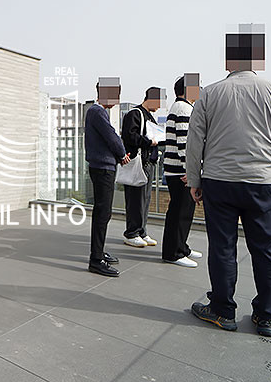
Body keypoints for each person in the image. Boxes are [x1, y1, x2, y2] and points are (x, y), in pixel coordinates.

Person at [186, 25, 271, 337]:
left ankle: (223, 311)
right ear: (258, 59)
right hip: (263, 182)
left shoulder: (210, 93)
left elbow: (195, 141)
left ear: (228, 61)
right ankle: (266, 316)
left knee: (222, 247)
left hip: (219, 180)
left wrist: (194, 179)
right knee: (266, 249)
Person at [84, 77, 130, 277]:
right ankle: (96, 260)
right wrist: (122, 154)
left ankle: (99, 252)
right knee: (103, 213)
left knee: (103, 212)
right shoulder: (97, 112)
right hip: (103, 168)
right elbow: (112, 136)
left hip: (102, 167)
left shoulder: (97, 111)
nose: (117, 99)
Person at [161, 75, 202, 267]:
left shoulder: (180, 107)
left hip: (177, 169)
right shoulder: (184, 109)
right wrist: (190, 171)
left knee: (182, 212)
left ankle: (181, 247)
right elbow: (184, 143)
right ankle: (174, 253)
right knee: (180, 213)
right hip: (180, 172)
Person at [120, 87, 162, 248]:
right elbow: (129, 136)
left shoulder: (149, 116)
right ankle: (131, 233)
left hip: (148, 162)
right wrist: (149, 142)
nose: (159, 106)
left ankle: (141, 231)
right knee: (136, 199)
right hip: (138, 162)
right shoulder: (135, 114)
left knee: (145, 199)